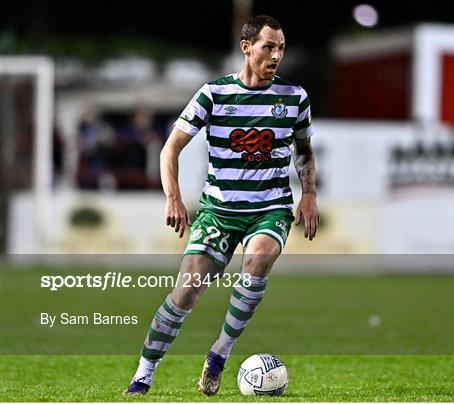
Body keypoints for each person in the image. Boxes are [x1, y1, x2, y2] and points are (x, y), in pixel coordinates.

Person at [125, 14, 319, 396]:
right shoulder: (213, 94)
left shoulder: (294, 98)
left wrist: (309, 193)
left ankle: (219, 353)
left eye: (281, 47)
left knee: (259, 258)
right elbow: (171, 148)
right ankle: (144, 372)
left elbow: (304, 150)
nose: (276, 55)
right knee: (185, 293)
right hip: (218, 210)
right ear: (247, 47)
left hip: (270, 207)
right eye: (269, 46)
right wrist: (174, 197)